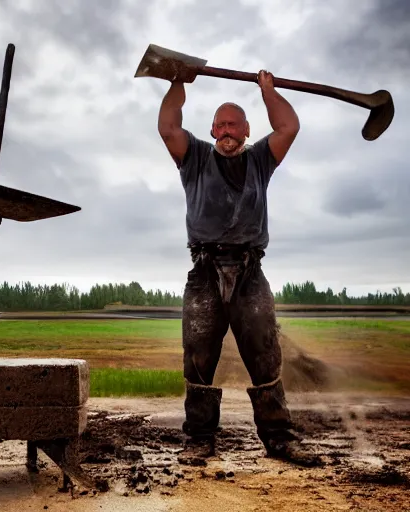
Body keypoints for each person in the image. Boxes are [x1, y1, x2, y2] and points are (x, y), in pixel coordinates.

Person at [157, 70, 321, 466]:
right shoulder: (194, 157)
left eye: (235, 124)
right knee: (198, 358)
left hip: (249, 271)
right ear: (212, 129)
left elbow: (289, 125)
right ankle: (199, 439)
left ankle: (279, 438)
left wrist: (268, 91)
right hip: (204, 270)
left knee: (266, 354)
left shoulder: (261, 159)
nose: (228, 130)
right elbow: (167, 126)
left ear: (247, 129)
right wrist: (177, 82)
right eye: (222, 124)